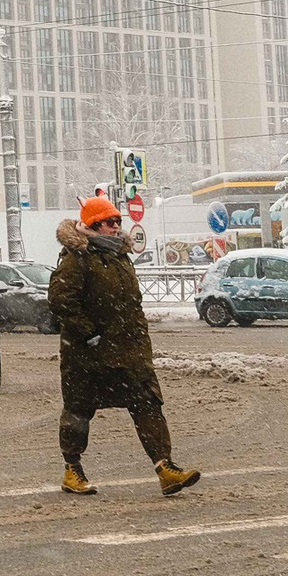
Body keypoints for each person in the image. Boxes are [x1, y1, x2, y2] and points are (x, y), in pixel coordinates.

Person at [50, 196, 199, 496]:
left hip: (128, 352)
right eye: (109, 222)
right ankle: (72, 470)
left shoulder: (120, 256)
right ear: (93, 225)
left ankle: (165, 468)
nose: (116, 226)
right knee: (78, 410)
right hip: (88, 355)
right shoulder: (77, 257)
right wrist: (88, 334)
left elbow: (132, 304)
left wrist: (140, 338)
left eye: (118, 221)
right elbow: (61, 301)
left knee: (148, 404)